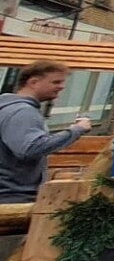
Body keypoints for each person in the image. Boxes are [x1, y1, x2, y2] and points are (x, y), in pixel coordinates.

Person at [0, 61, 90, 205]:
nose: (62, 87)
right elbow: (31, 148)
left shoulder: (9, 109)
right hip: (12, 197)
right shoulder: (23, 112)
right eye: (56, 82)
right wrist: (76, 130)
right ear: (33, 82)